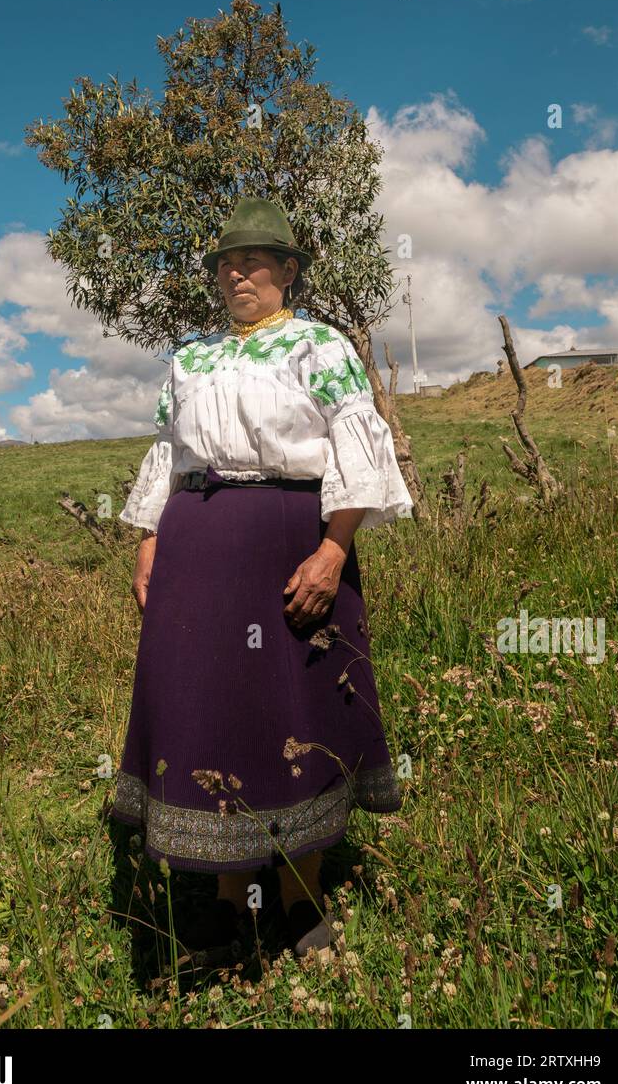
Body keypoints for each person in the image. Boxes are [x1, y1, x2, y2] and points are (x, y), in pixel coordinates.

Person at [111, 197, 413, 957]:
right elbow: (169, 454)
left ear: (287, 271)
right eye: (226, 262)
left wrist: (334, 549)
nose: (237, 271)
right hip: (197, 550)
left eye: (254, 260)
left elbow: (354, 444)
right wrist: (150, 539)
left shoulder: (321, 347)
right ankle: (228, 903)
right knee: (211, 710)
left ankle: (299, 896)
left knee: (293, 711)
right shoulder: (190, 356)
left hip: (289, 541)